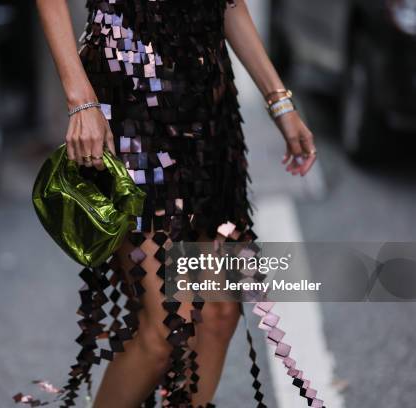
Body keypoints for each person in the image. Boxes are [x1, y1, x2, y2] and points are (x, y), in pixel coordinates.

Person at [31, 0, 318, 407]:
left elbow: (229, 4)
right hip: (130, 103)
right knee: (168, 325)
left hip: (210, 112)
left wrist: (279, 101)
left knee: (218, 315)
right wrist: (81, 99)